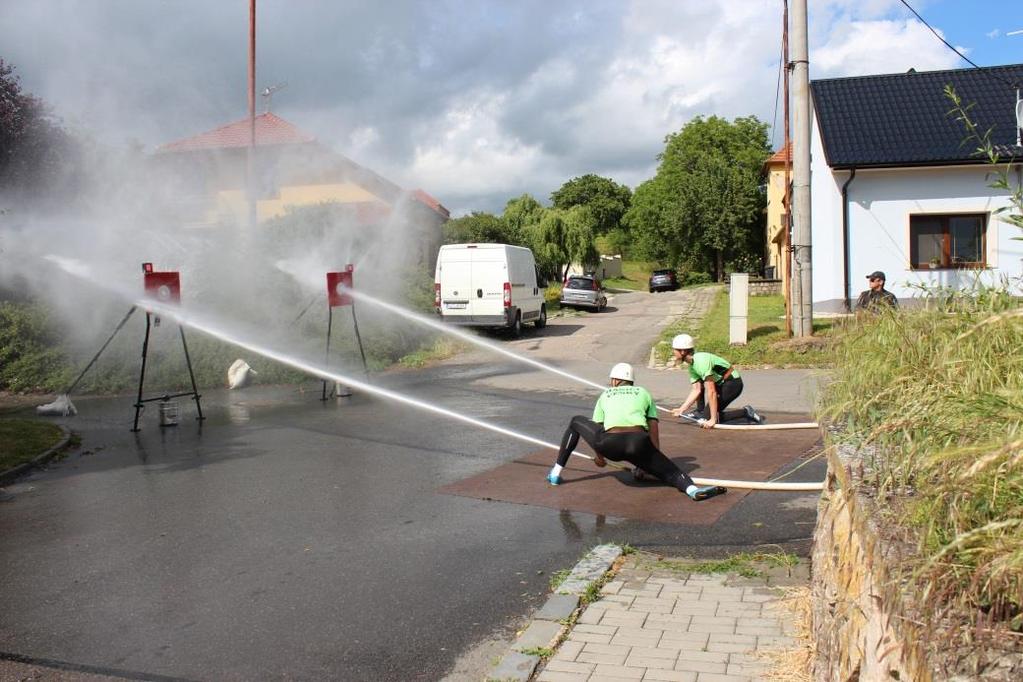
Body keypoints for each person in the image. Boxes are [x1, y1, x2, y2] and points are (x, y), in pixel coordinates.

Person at [546, 362, 726, 501]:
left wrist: (600, 457)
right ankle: (693, 490)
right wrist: (652, 457)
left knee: (576, 421)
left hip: (610, 444)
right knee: (670, 472)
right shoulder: (643, 392)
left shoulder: (606, 394)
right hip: (638, 443)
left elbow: (598, 428)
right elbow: (653, 426)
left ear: (615, 380)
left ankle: (555, 473)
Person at [669, 334, 763, 428]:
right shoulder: (691, 366)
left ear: (683, 351)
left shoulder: (701, 361)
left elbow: (712, 391)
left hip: (733, 384)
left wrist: (712, 419)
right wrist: (681, 409)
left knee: (708, 417)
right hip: (721, 384)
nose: (673, 352)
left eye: (675, 349)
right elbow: (696, 390)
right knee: (706, 415)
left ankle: (746, 412)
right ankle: (701, 412)